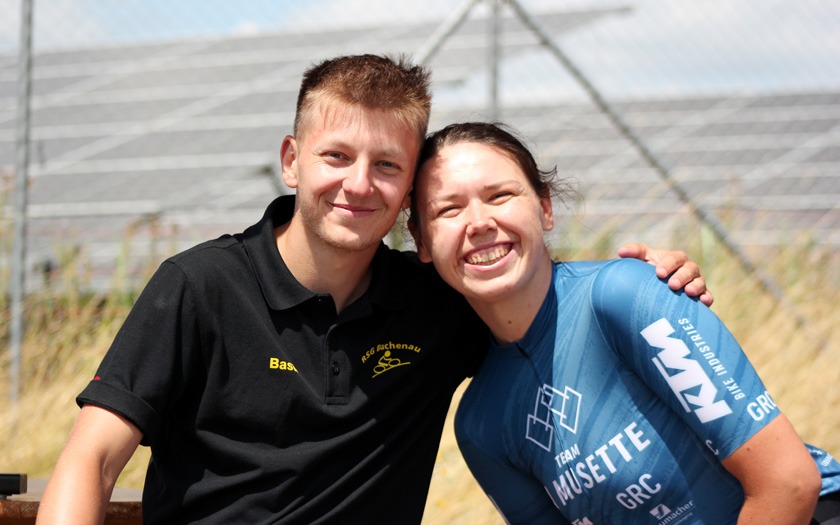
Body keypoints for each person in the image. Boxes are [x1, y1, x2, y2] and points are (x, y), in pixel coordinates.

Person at [36, 56, 709, 524]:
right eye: (336, 156)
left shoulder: (439, 304)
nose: (358, 184)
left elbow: (542, 296)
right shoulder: (199, 286)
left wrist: (646, 274)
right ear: (292, 160)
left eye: (387, 165)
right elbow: (91, 460)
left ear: (410, 189)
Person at [408, 121, 840, 524]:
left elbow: (788, 483)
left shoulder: (623, 296)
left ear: (545, 208)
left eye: (500, 196)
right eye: (448, 210)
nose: (479, 223)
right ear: (421, 241)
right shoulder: (480, 426)